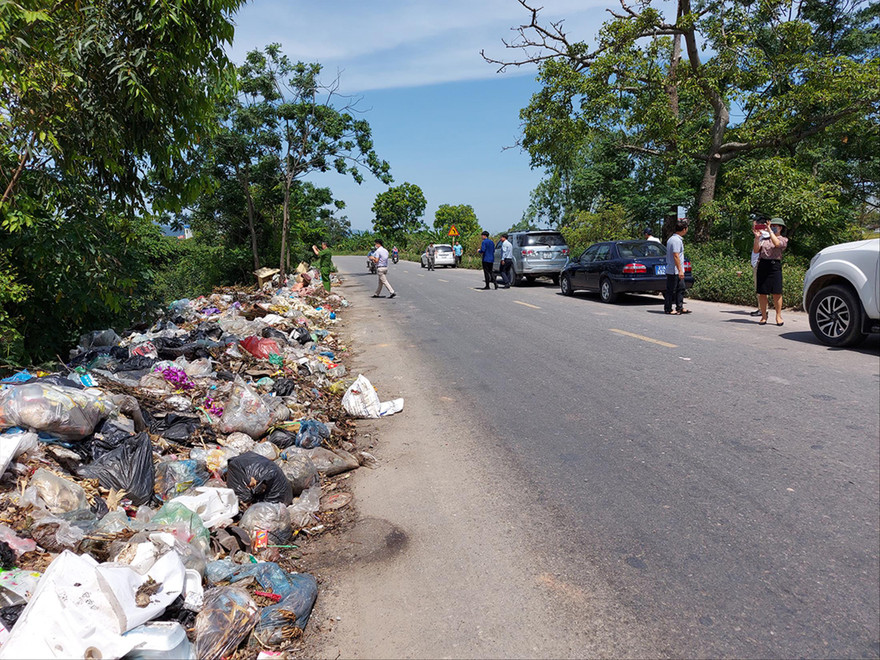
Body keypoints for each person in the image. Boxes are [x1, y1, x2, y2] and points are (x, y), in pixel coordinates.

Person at [754, 217, 788, 326]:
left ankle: (778, 316)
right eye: (771, 225)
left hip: (775, 266)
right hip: (763, 264)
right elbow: (756, 250)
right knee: (762, 292)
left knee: (777, 292)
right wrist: (757, 238)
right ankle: (764, 316)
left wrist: (770, 232)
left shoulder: (783, 239)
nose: (772, 227)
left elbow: (777, 244)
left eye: (775, 226)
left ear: (780, 228)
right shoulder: (764, 239)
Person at [664, 219, 690, 315]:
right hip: (673, 270)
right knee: (671, 290)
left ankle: (680, 307)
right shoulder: (675, 240)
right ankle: (668, 309)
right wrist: (680, 270)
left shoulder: (676, 239)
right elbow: (676, 255)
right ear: (683, 229)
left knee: (681, 288)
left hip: (677, 270)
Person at [749, 218, 767, 316]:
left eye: (755, 225)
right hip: (756, 264)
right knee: (758, 288)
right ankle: (761, 308)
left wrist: (762, 231)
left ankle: (763, 310)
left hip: (760, 264)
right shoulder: (759, 236)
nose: (753, 228)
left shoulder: (765, 235)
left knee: (761, 288)